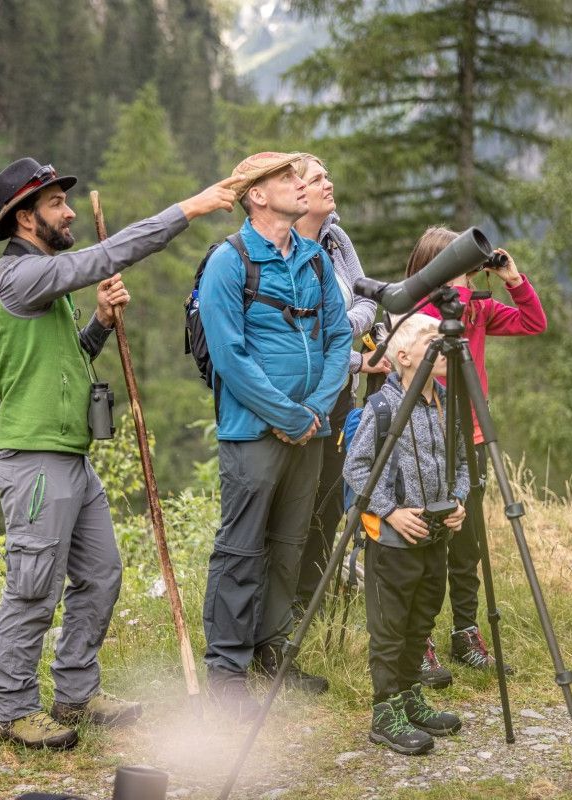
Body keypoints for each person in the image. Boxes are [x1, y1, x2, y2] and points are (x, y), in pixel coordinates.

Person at [0, 157, 240, 749]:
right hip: (34, 460)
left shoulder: (45, 281)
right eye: (55, 204)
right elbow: (107, 255)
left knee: (101, 574)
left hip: (69, 456)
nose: (69, 211)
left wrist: (98, 323)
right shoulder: (17, 278)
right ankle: (16, 711)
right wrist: (191, 207)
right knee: (33, 586)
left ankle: (75, 694)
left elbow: (64, 362)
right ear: (26, 218)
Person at [198, 151, 353, 722]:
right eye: (286, 177)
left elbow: (340, 338)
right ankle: (226, 669)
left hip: (310, 427)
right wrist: (286, 415)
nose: (298, 183)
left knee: (289, 543)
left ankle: (272, 652)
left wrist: (314, 407)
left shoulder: (314, 260)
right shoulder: (229, 261)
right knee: (241, 546)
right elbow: (230, 356)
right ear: (256, 195)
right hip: (253, 432)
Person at [406, 227, 547, 687]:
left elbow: (534, 322)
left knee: (468, 540)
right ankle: (417, 640)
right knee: (426, 536)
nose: (470, 271)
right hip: (427, 434)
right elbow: (427, 322)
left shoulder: (478, 310)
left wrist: (512, 278)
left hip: (473, 435)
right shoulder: (423, 309)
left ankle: (465, 632)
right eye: (460, 262)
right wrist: (458, 287)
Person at [343, 313, 468, 755]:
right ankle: (385, 710)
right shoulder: (382, 408)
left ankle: (411, 694)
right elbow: (355, 468)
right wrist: (390, 512)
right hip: (394, 542)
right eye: (431, 338)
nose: (442, 343)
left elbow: (462, 464)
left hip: (436, 537)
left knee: (422, 618)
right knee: (390, 627)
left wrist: (459, 501)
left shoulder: (447, 402)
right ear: (402, 356)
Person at [290, 152, 390, 616]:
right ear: (296, 192)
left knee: (330, 501)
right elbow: (296, 336)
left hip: (339, 397)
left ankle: (312, 601)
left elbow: (366, 298)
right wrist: (354, 357)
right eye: (317, 178)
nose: (329, 183)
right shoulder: (283, 248)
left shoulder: (336, 239)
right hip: (302, 393)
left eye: (328, 175)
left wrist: (338, 335)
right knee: (296, 505)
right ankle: (284, 609)